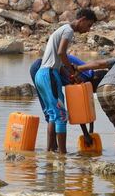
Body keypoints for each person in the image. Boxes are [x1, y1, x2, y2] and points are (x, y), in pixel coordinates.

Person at [34, 9, 97, 154]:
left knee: (53, 115)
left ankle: (50, 151)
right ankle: (62, 154)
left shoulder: (63, 29)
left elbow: (59, 61)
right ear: (81, 20)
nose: (88, 29)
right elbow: (61, 53)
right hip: (49, 75)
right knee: (61, 115)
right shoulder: (68, 30)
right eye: (89, 25)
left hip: (42, 74)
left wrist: (71, 74)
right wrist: (73, 70)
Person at [30, 55, 115, 150]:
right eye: (96, 89)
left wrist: (90, 132)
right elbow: (77, 106)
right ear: (96, 80)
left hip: (43, 69)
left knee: (52, 113)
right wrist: (85, 133)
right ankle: (53, 149)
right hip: (43, 70)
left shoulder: (88, 76)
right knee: (54, 114)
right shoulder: (83, 76)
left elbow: (88, 106)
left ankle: (52, 149)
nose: (94, 92)